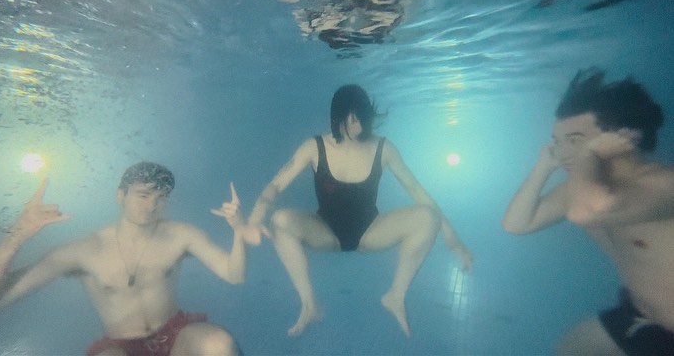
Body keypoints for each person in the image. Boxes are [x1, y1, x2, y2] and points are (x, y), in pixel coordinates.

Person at [243, 84, 473, 337]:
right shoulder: (315, 147)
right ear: (338, 117)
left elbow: (417, 191)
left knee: (428, 218)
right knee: (280, 220)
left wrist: (452, 239)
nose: (359, 126)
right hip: (325, 231)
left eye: (363, 118)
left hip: (371, 232)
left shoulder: (383, 148)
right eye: (353, 119)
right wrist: (254, 219)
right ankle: (310, 304)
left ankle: (396, 296)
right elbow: (276, 185)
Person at [0, 162, 245, 356]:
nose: (151, 206)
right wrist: (17, 234)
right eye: (143, 195)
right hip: (122, 345)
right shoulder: (83, 251)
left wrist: (239, 232)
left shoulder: (180, 234)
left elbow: (235, 275)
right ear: (120, 196)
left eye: (160, 198)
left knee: (218, 344)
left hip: (176, 334)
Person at [502, 68, 674, 355]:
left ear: (622, 137)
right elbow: (517, 223)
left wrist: (589, 155)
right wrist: (544, 166)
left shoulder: (661, 185)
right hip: (641, 313)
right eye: (558, 142)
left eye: (575, 140)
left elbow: (587, 212)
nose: (563, 152)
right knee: (570, 348)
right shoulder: (581, 188)